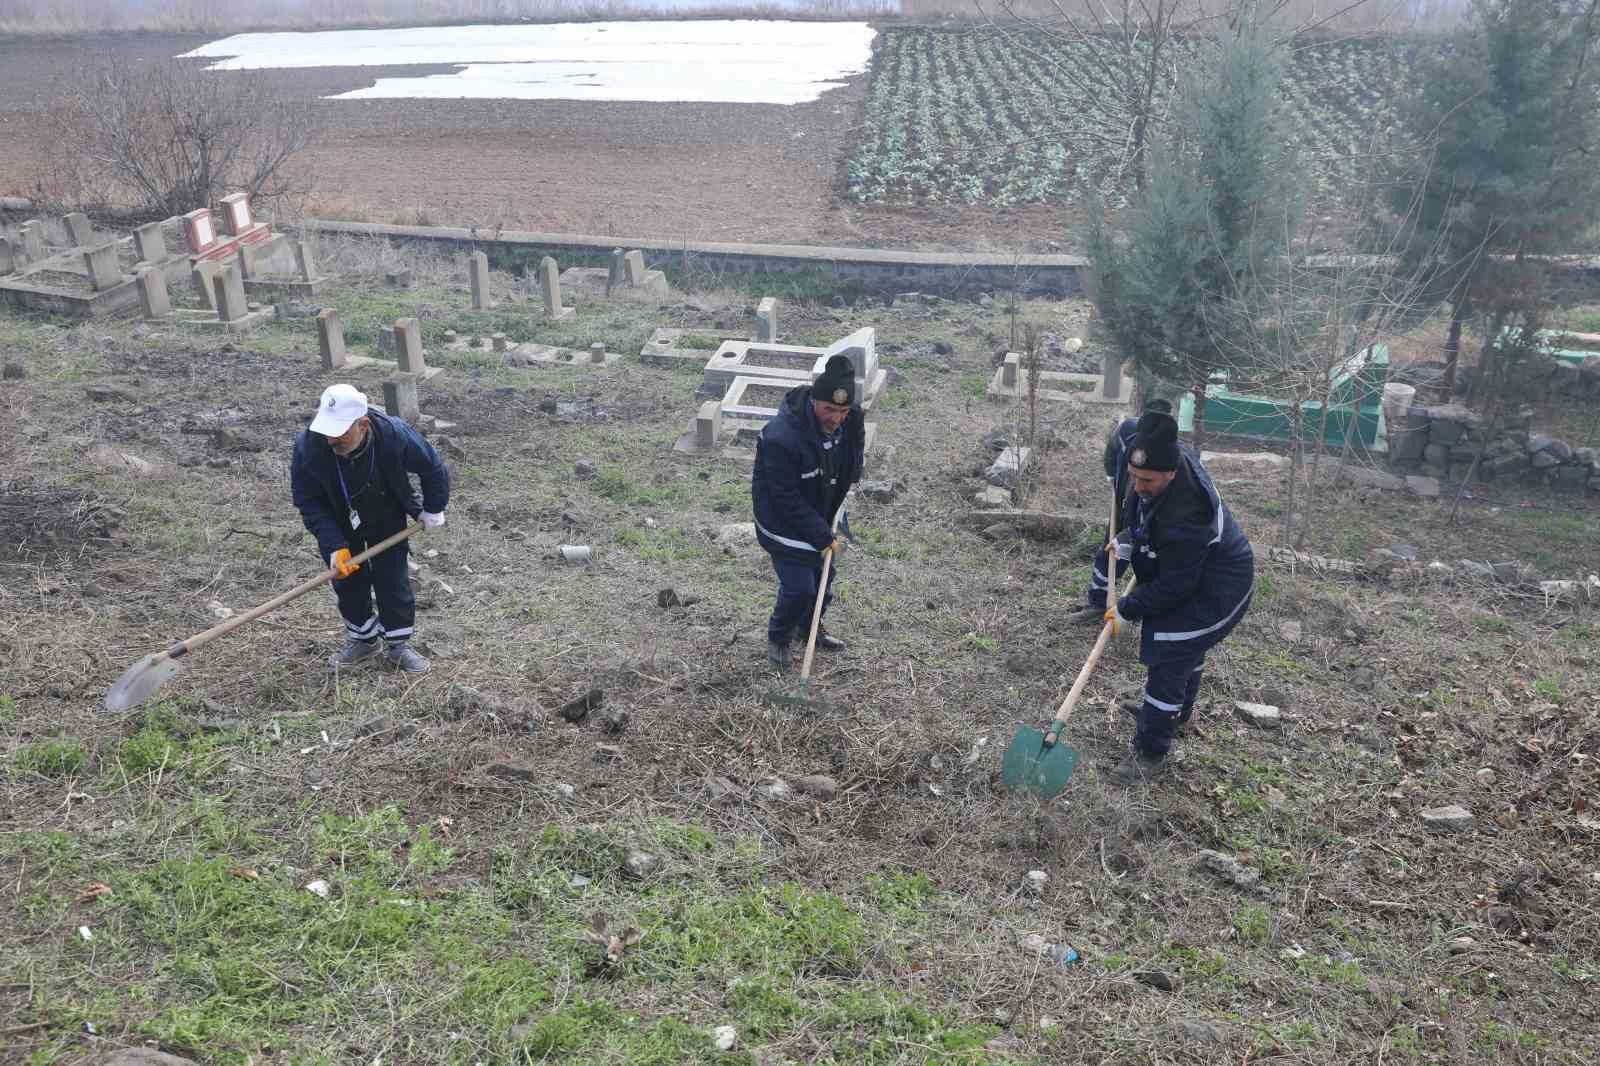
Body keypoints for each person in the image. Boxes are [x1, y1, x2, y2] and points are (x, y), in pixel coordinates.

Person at [1096, 410, 1254, 783]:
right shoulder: (1164, 459)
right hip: (1192, 571)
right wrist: (1131, 539)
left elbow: (1174, 587)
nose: (1137, 486)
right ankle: (1174, 713)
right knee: (1183, 650)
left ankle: (1151, 752)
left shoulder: (1189, 514)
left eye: (1147, 480)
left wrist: (1126, 609)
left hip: (1220, 586)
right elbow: (1150, 517)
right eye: (1133, 476)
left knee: (1170, 652)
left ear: (1170, 473)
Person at [291, 383, 450, 673]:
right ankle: (364, 641)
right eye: (327, 430)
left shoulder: (394, 433)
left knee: (392, 577)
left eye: (340, 432)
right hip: (338, 515)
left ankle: (398, 645)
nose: (331, 439)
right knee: (347, 580)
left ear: (363, 425)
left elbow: (431, 465)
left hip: (385, 505)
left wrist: (433, 506)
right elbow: (308, 500)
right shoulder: (309, 445)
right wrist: (333, 545)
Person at [751, 354, 866, 669]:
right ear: (814, 401)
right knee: (800, 587)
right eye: (829, 410)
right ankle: (779, 638)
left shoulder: (850, 416)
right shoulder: (781, 437)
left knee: (824, 579)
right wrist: (821, 536)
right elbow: (784, 497)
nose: (836, 418)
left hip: (821, 508)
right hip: (781, 520)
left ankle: (809, 627)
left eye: (842, 411)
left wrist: (853, 471)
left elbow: (855, 440)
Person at [1065, 397, 1173, 626]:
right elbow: (1111, 452)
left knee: (1148, 558)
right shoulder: (1126, 430)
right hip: (1125, 501)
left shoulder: (1167, 448)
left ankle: (1136, 609)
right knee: (1112, 550)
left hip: (1152, 508)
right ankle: (1099, 604)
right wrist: (1112, 476)